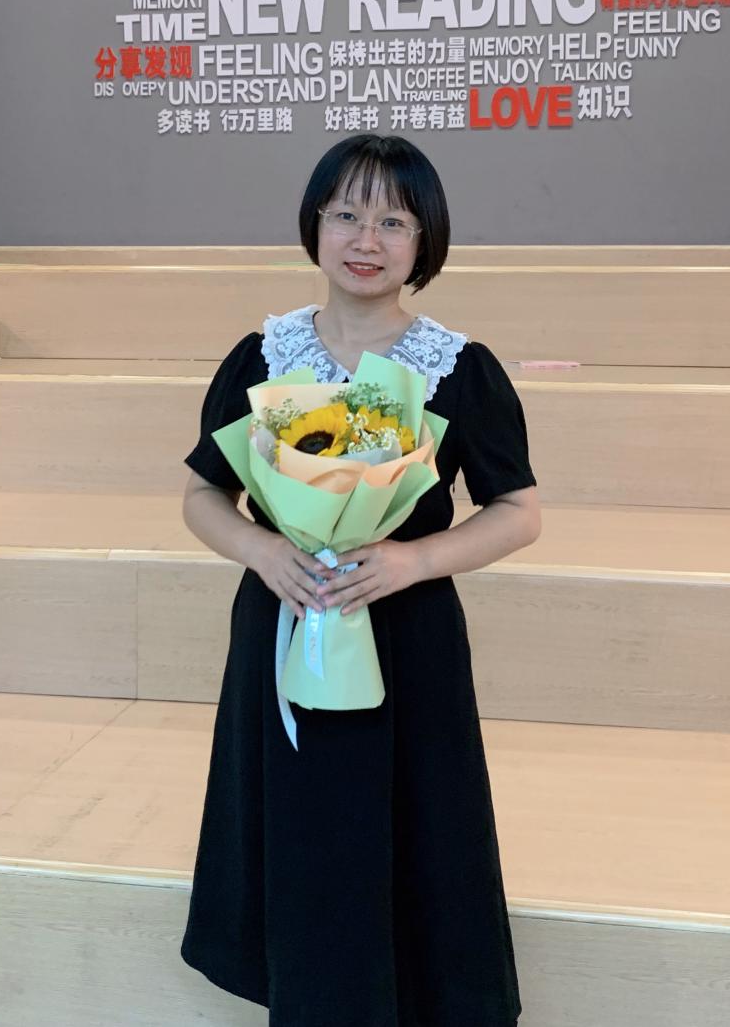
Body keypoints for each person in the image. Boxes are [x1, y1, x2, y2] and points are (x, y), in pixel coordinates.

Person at [180, 133, 541, 1027]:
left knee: (418, 822)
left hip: (406, 633)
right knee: (303, 822)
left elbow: (518, 510)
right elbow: (202, 496)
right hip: (285, 622)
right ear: (315, 224)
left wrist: (412, 559)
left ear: (425, 240)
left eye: (393, 220)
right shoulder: (262, 355)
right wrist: (263, 551)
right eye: (346, 213)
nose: (365, 239)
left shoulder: (459, 366)